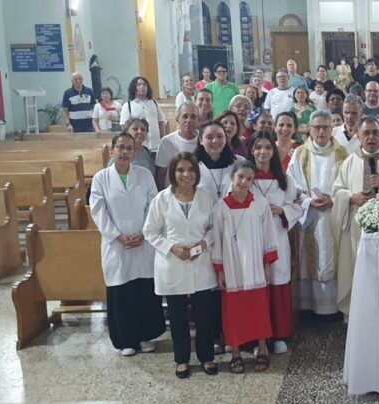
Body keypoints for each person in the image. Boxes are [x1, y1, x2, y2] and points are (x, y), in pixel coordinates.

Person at [143, 152, 219, 378]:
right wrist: (171, 247)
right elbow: (150, 231)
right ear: (172, 173)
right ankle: (182, 359)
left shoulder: (206, 198)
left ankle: (206, 356)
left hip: (200, 263)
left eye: (190, 170)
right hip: (172, 263)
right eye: (180, 170)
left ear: (197, 173)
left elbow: (215, 227)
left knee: (204, 316)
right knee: (177, 317)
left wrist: (204, 244)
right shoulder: (162, 199)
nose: (186, 175)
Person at [90, 132, 164, 357]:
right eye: (120, 147)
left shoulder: (144, 175)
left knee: (144, 290)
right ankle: (126, 340)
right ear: (112, 150)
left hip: (143, 241)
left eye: (129, 148)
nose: (124, 152)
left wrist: (144, 232)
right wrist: (117, 236)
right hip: (116, 244)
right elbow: (97, 210)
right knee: (122, 291)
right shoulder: (101, 178)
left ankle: (147, 335)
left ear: (135, 151)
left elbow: (154, 204)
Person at [210, 160, 280, 373]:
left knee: (258, 308)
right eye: (240, 177)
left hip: (254, 265)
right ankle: (236, 353)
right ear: (232, 178)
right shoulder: (220, 207)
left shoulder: (260, 204)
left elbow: (269, 233)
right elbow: (217, 239)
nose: (244, 182)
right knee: (233, 311)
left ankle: (262, 349)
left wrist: (268, 263)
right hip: (232, 266)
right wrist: (220, 270)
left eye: (249, 179)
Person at [332, 116, 379, 314]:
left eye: (375, 133)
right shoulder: (350, 161)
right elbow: (336, 191)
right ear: (358, 136)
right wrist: (351, 198)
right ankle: (357, 315)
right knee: (356, 270)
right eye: (366, 133)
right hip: (356, 229)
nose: (371, 137)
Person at [287, 111, 348, 318]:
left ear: (332, 129)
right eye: (316, 127)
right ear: (309, 129)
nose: (321, 131)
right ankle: (311, 307)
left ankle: (333, 307)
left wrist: (335, 199)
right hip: (310, 215)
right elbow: (291, 185)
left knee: (333, 255)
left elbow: (350, 184)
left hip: (334, 215)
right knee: (311, 257)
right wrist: (308, 201)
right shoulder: (300, 154)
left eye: (325, 127)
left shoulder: (343, 154)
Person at [247, 132, 301, 355]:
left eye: (267, 147)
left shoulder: (284, 179)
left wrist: (282, 210)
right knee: (256, 287)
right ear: (251, 150)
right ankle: (256, 337)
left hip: (278, 237)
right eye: (258, 147)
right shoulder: (245, 176)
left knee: (278, 284)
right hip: (252, 238)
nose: (263, 152)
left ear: (273, 151)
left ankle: (279, 335)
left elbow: (296, 205)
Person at [156, 103, 200, 189]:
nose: (189, 120)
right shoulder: (167, 142)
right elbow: (160, 175)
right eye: (185, 116)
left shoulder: (204, 140)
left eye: (193, 117)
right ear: (177, 119)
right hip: (172, 194)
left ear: (198, 120)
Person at [195, 120, 240, 203]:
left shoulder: (239, 163)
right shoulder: (193, 166)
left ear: (225, 139)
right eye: (209, 137)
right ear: (201, 140)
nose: (215, 141)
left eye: (220, 136)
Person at [120, 76, 167, 153]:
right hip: (138, 146)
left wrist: (163, 140)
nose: (142, 87)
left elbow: (161, 123)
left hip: (156, 144)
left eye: (144, 85)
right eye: (139, 85)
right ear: (134, 88)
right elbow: (124, 127)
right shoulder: (128, 105)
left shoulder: (154, 103)